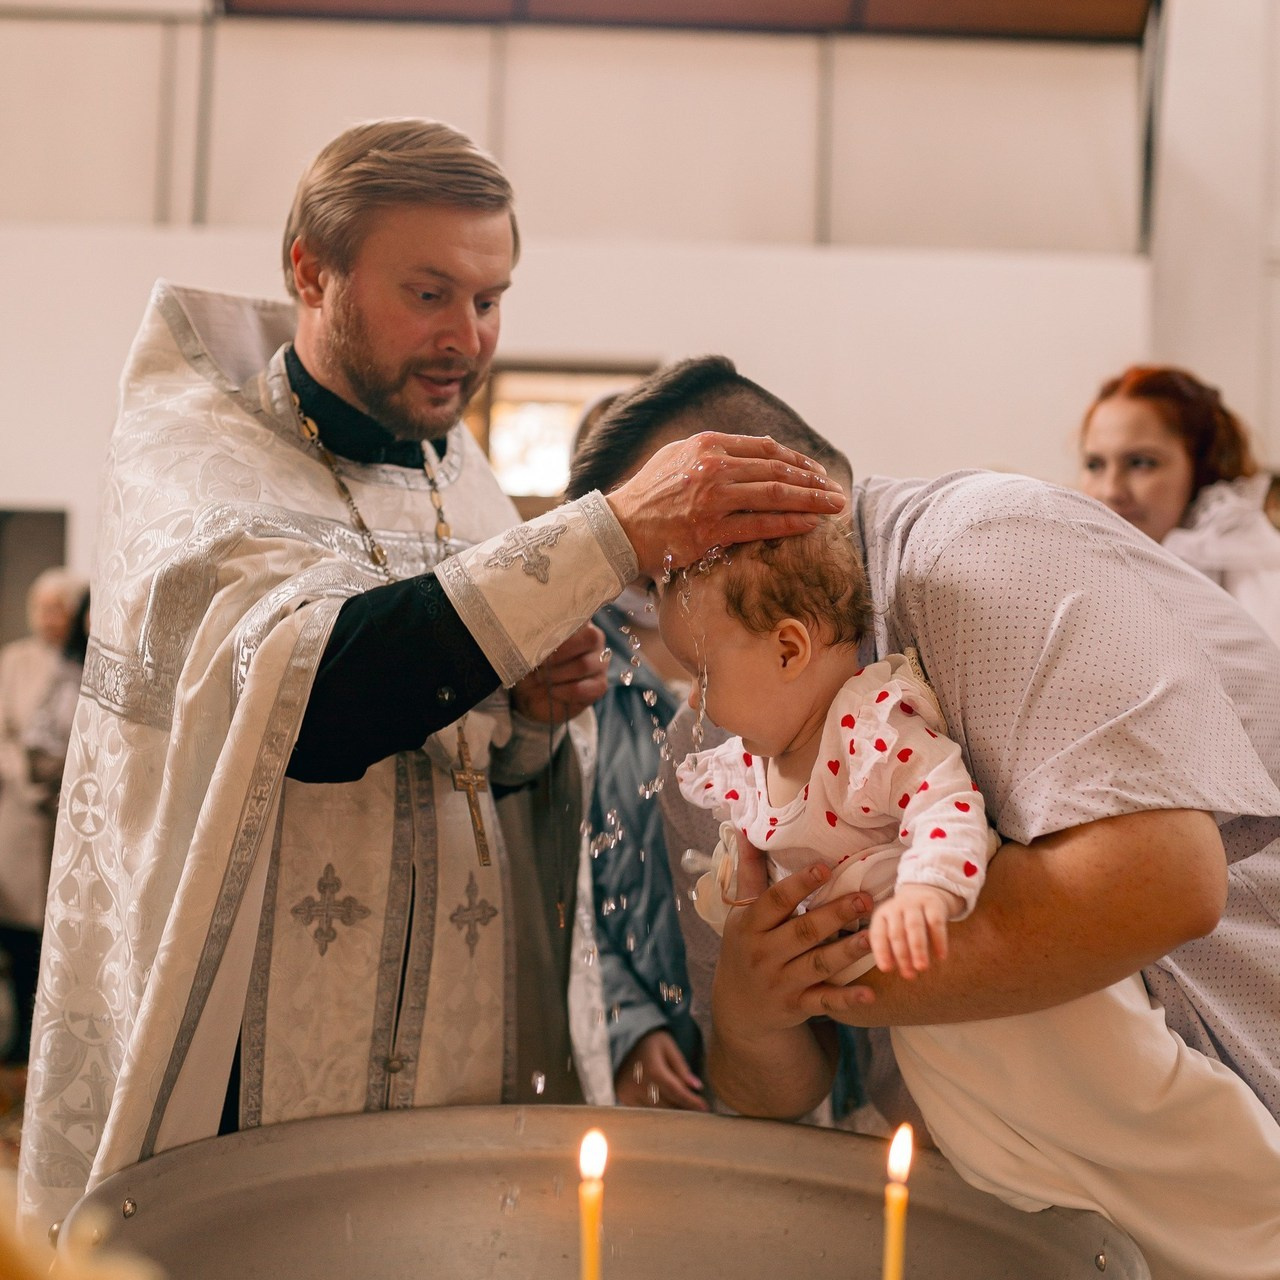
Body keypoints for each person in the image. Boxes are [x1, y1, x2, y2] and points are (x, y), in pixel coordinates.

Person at [16, 120, 845, 1239]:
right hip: (248, 1069)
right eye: (429, 293)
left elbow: (466, 756)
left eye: (491, 298)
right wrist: (607, 532)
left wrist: (530, 723)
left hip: (446, 1057)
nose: (469, 337)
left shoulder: (463, 478)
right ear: (309, 269)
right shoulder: (197, 456)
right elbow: (305, 702)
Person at [568, 354, 1280, 1280]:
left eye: (665, 560)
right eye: (636, 591)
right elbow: (772, 1092)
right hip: (1008, 1187)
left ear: (779, 499)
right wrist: (754, 1005)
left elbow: (1160, 882)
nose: (653, 636)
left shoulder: (980, 552)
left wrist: (835, 970)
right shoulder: (724, 733)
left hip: (1228, 1070)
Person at [572, 394, 706, 1112]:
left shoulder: (753, 625)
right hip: (637, 1037)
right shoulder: (566, 654)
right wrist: (620, 1018)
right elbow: (549, 862)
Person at [1079, 364, 1280, 646]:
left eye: (1141, 463)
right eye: (1094, 464)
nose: (1111, 490)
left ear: (1202, 470)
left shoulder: (1262, 587)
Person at [0, 568, 85, 1066]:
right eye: (43, 608)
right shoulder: (14, 660)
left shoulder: (85, 662)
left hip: (64, 813)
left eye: (61, 608)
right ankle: (14, 1037)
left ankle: (45, 1040)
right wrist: (24, 778)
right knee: (12, 928)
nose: (51, 618)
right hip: (16, 809)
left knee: (53, 935)